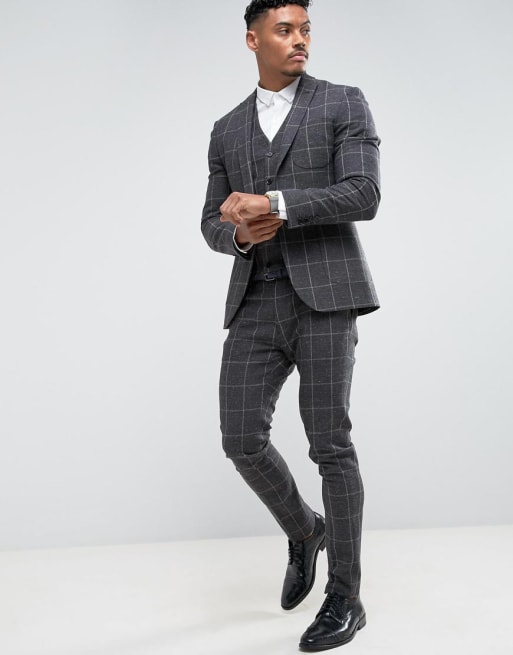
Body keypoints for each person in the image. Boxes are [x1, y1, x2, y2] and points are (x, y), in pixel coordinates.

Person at [201, 0, 380, 650]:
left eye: (305, 29)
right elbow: (210, 222)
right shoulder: (226, 128)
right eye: (284, 30)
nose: (299, 39)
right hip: (256, 297)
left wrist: (277, 203)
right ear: (253, 40)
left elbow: (364, 193)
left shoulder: (342, 103)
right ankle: (305, 529)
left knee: (329, 444)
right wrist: (237, 235)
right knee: (240, 438)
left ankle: (345, 597)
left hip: (326, 296)